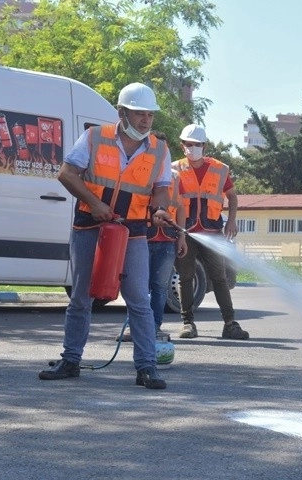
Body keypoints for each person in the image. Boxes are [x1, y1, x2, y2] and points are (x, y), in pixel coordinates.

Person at [39, 82, 174, 389]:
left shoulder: (159, 149)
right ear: (121, 112)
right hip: (90, 227)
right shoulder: (94, 138)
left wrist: (161, 208)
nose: (145, 121)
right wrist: (97, 204)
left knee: (139, 299)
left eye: (150, 115)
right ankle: (71, 360)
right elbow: (66, 173)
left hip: (134, 233)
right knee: (81, 297)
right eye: (139, 114)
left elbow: (162, 188)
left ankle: (147, 367)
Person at [173, 124, 249, 340]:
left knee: (220, 278)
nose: (193, 148)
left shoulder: (219, 168)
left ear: (204, 146)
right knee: (185, 278)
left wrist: (231, 222)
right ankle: (188, 324)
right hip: (185, 233)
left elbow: (232, 195)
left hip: (213, 231)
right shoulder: (174, 169)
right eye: (189, 144)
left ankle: (230, 324)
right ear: (183, 146)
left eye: (197, 145)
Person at [117, 132, 188, 342]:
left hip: (167, 239)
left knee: (159, 287)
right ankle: (133, 327)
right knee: (138, 286)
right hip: (142, 236)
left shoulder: (175, 177)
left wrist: (182, 237)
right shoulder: (139, 171)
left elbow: (181, 209)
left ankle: (154, 327)